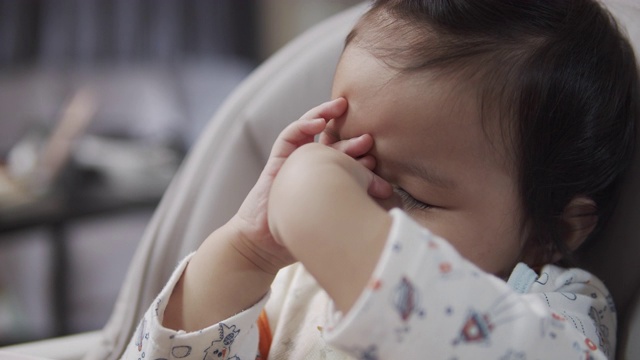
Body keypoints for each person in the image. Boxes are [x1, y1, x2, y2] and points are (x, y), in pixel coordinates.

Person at [122, 0, 639, 359]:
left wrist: (322, 213)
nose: (353, 198)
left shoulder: (558, 307)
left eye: (412, 195)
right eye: (347, 158)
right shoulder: (293, 286)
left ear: (553, 231)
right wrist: (246, 255)